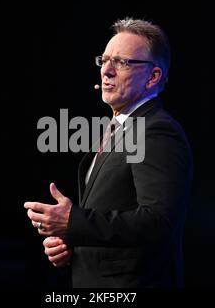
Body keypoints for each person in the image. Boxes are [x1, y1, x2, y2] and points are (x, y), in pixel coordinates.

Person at [24, 18, 193, 287]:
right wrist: (72, 242)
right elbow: (111, 216)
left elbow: (158, 222)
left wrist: (75, 222)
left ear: (153, 77)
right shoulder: (121, 128)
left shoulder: (157, 131)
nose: (107, 71)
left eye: (122, 62)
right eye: (104, 60)